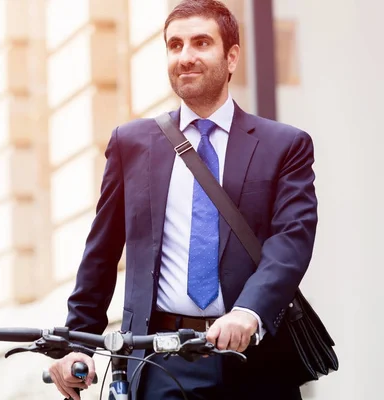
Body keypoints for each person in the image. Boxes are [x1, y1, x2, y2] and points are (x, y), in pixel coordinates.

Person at [48, 0, 317, 399]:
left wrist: (249, 312)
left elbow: (291, 242)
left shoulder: (284, 145)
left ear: (231, 57)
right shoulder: (131, 143)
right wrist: (75, 343)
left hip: (255, 359)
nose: (185, 57)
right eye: (174, 46)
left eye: (200, 43)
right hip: (159, 361)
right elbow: (101, 253)